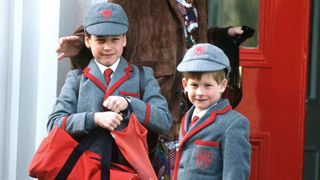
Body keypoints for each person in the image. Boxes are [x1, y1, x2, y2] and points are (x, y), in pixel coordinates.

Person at [47, 2, 173, 177]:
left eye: (114, 39)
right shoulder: (76, 79)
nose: (107, 47)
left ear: (124, 40)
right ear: (87, 41)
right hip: (84, 171)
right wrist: (94, 119)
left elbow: (164, 121)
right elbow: (54, 123)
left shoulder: (142, 77)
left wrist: (129, 104)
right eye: (100, 40)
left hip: (129, 172)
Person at [173, 43, 251, 180]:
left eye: (207, 85)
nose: (200, 92)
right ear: (185, 85)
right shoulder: (188, 117)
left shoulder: (234, 124)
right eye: (194, 85)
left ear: (222, 85)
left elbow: (235, 175)